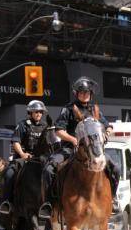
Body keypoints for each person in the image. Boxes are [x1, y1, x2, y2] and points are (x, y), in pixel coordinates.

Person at [38, 77, 120, 219]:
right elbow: (58, 130)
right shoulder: (68, 109)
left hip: (94, 150)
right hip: (70, 149)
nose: (85, 95)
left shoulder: (94, 109)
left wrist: (106, 134)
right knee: (49, 169)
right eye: (81, 92)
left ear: (91, 93)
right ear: (76, 93)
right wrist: (73, 139)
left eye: (87, 92)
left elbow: (108, 126)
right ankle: (49, 204)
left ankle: (112, 199)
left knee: (115, 168)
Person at [0, 100, 48, 215]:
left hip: (40, 159)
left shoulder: (45, 126)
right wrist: (22, 154)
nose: (38, 114)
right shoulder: (22, 124)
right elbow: (16, 142)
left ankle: (52, 203)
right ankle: (7, 202)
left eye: (40, 112)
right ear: (30, 113)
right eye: (36, 112)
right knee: (9, 173)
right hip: (23, 157)